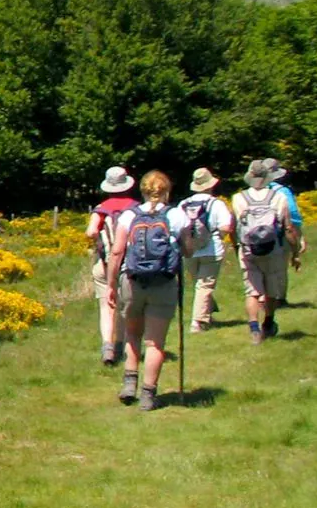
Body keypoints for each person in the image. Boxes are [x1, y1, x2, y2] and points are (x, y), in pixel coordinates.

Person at [103, 170, 195, 411]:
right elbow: (188, 251)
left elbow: (116, 252)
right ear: (166, 191)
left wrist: (111, 285)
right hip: (163, 283)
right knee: (155, 343)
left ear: (142, 191)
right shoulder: (176, 215)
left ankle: (129, 384)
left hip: (132, 281)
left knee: (133, 335)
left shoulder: (128, 217)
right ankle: (148, 395)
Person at [233, 161, 303, 343]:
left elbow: (236, 227)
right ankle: (268, 324)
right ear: (267, 178)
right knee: (271, 289)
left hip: (248, 249)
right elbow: (288, 228)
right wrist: (295, 253)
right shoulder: (278, 197)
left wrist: (236, 247)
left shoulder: (239, 198)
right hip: (273, 249)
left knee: (252, 291)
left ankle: (254, 329)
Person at [86, 166, 139, 366]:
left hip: (105, 263)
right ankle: (123, 345)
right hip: (130, 265)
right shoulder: (136, 207)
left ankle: (107, 348)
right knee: (126, 307)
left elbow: (91, 232)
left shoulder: (101, 208)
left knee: (106, 306)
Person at [179, 168, 234, 333]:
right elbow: (225, 226)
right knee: (205, 286)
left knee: (199, 284)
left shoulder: (184, 204)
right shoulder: (216, 204)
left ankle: (207, 312)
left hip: (189, 251)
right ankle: (198, 322)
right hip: (211, 250)